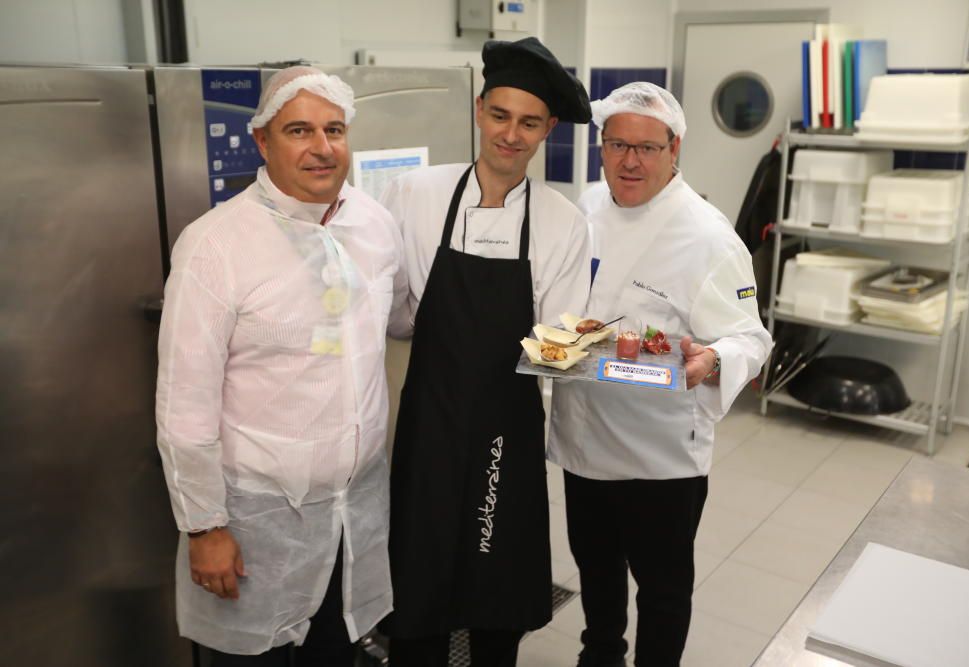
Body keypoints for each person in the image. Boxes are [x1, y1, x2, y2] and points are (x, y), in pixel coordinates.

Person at [155, 66, 406, 666]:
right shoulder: (215, 244)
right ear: (263, 142)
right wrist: (205, 527)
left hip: (355, 515)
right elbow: (183, 403)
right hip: (256, 528)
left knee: (336, 654)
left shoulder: (372, 224)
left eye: (335, 129)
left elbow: (398, 322)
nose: (322, 148)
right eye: (300, 131)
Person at [378, 37, 593, 667]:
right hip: (428, 425)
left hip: (507, 431)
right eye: (500, 115)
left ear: (548, 128)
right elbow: (397, 315)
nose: (511, 134)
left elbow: (561, 345)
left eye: (529, 122)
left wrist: (591, 346)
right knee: (418, 585)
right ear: (478, 110)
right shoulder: (415, 196)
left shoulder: (561, 222)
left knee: (495, 589)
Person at [547, 82, 774, 667]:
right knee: (595, 570)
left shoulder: (707, 236)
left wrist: (714, 358)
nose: (630, 161)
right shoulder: (585, 208)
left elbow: (750, 335)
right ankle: (600, 655)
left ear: (675, 150)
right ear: (601, 147)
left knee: (663, 587)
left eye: (647, 148)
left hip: (661, 457)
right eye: (617, 144)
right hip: (583, 438)